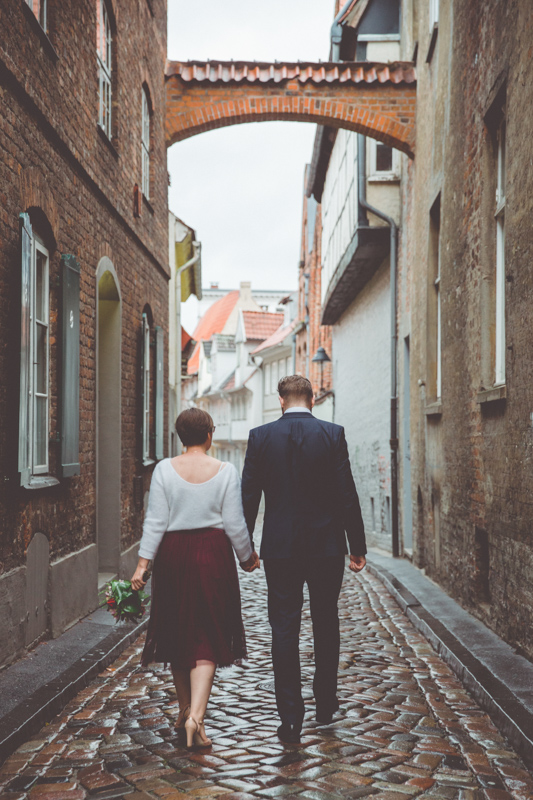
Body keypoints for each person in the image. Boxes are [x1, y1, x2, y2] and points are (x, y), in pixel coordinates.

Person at [241, 374, 366, 744]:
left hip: (280, 549)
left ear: (281, 400)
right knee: (326, 622)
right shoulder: (332, 434)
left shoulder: (261, 437)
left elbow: (248, 498)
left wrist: (245, 548)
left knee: (283, 629)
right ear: (313, 399)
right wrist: (355, 545)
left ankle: (291, 718)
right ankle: (325, 705)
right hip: (327, 547)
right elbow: (347, 493)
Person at [131, 407, 260, 749]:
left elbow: (155, 522)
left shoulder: (163, 470)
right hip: (213, 555)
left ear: (179, 436)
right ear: (208, 435)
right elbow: (235, 523)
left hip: (174, 555)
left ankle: (185, 708)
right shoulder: (225, 470)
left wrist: (143, 565)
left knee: (178, 630)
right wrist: (247, 557)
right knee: (207, 633)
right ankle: (195, 717)